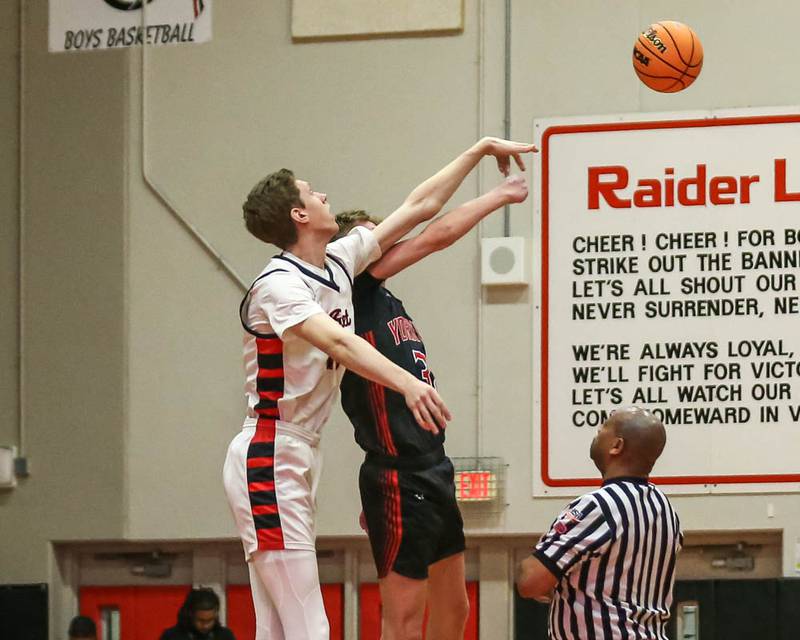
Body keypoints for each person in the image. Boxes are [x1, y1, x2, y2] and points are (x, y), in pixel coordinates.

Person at [222, 137, 536, 640]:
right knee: (306, 627)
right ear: (300, 215)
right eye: (312, 192)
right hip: (269, 448)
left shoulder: (337, 264)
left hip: (301, 448)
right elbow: (339, 343)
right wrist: (408, 382)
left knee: (278, 627)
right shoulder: (278, 284)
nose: (323, 194)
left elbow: (420, 208)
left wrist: (478, 151)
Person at [334, 173, 531, 640]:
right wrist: (500, 196)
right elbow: (436, 235)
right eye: (368, 235)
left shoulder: (383, 294)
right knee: (404, 617)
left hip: (433, 466)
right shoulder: (350, 291)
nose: (382, 241)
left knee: (456, 608)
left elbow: (428, 235)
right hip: (397, 472)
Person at [516, 406, 683, 640]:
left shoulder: (597, 506)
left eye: (604, 426)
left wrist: (535, 570)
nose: (597, 431)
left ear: (617, 446)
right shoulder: (666, 510)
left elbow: (530, 581)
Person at [160, 588, 235, 640]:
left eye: (210, 620)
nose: (205, 626)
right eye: (200, 620)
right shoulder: (171, 636)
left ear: (216, 615)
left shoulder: (224, 636)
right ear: (190, 615)